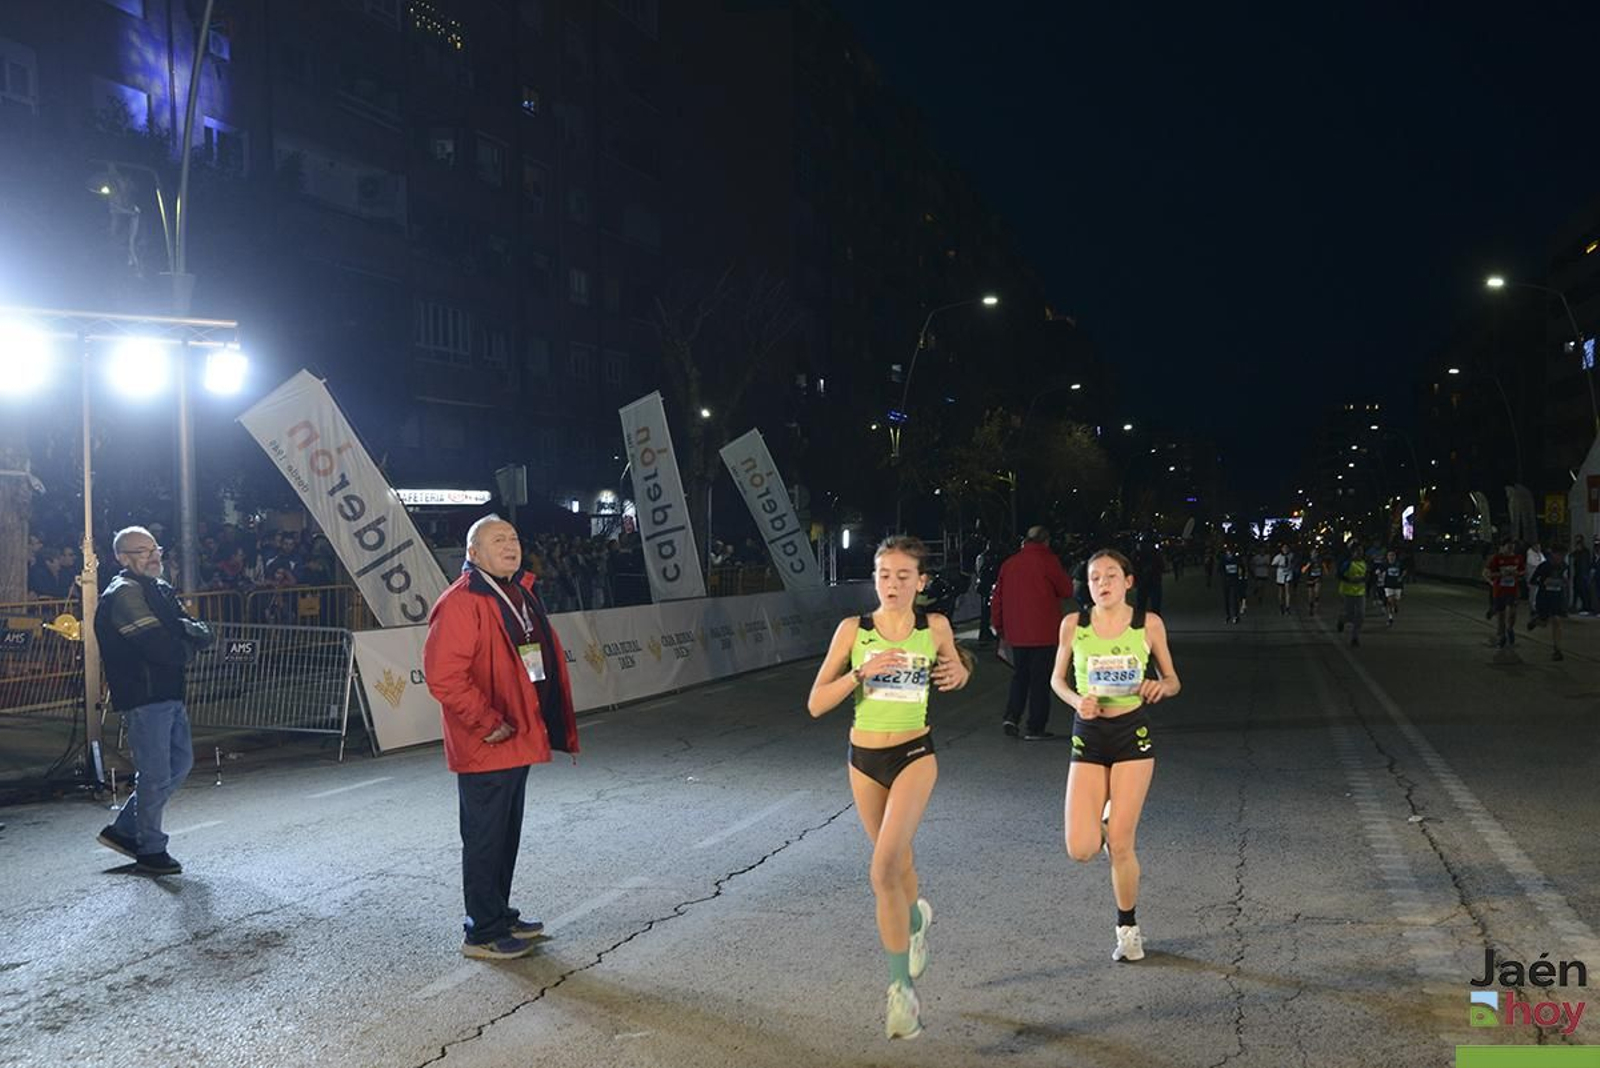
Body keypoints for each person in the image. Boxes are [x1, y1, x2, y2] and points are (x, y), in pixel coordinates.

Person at [807, 535, 971, 1040]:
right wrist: (862, 671)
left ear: (921, 582)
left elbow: (957, 669)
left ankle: (901, 993)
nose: (892, 584)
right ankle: (917, 923)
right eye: (884, 575)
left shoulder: (934, 626)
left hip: (914, 755)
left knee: (881, 869)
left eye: (903, 576)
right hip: (863, 760)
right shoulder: (853, 630)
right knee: (898, 866)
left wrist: (959, 671)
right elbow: (815, 702)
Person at [424, 516, 580, 960]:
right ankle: (481, 931)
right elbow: (444, 676)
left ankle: (498, 912)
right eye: (497, 540)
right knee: (485, 837)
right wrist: (486, 721)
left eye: (513, 537)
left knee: (505, 834)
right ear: (473, 554)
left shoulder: (517, 591)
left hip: (518, 734)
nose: (510, 545)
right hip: (488, 739)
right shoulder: (461, 602)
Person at [1052, 549, 1181, 964]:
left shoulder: (1148, 624)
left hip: (1132, 735)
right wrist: (1076, 701)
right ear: (1087, 586)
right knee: (1082, 848)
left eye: (1111, 575)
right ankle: (1106, 823)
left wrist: (1161, 687)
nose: (1102, 583)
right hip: (1089, 734)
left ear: (1128, 582)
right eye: (1094, 578)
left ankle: (1128, 929)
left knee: (1122, 844)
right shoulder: (1075, 625)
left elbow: (1173, 679)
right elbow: (1057, 679)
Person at [93, 527, 214, 875]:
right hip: (144, 695)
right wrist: (188, 641)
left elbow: (193, 627)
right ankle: (149, 848)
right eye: (143, 551)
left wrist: (186, 636)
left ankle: (124, 831)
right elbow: (162, 644)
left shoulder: (158, 588)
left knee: (179, 765)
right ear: (122, 558)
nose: (154, 555)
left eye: (155, 548)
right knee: (157, 772)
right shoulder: (124, 594)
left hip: (168, 691)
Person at [990, 526, 1074, 740]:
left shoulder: (1010, 564)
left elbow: (997, 598)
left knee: (1020, 676)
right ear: (1046, 541)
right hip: (1044, 632)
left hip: (1016, 633)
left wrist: (999, 626)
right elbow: (1066, 590)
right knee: (1040, 680)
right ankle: (1035, 727)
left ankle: (1011, 717)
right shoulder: (1049, 561)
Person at [1527, 546, 1569, 661]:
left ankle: (1557, 649)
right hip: (1544, 598)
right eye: (1559, 555)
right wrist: (1544, 581)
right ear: (1553, 554)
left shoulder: (1564, 566)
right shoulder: (1544, 566)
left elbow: (1567, 580)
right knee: (1544, 622)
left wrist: (1564, 583)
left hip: (1557, 598)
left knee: (1557, 620)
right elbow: (1533, 580)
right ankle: (1536, 621)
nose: (1561, 558)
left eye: (1563, 556)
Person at [1482, 536, 1524, 650]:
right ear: (1502, 547)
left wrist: (1517, 573)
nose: (1510, 549)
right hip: (1499, 590)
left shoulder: (1518, 558)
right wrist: (1501, 574)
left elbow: (1522, 571)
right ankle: (1501, 636)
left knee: (1513, 612)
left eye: (1512, 547)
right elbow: (1488, 573)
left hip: (1513, 590)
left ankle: (1510, 628)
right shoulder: (1496, 559)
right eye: (1508, 547)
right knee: (1501, 615)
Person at [1335, 543, 1368, 647]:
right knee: (1349, 615)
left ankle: (1355, 637)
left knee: (1361, 615)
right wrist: (1349, 580)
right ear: (1353, 552)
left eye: (1361, 551)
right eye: (1357, 551)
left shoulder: (1364, 563)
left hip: (1360, 592)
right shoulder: (1347, 563)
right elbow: (1339, 575)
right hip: (1347, 592)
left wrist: (1363, 580)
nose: (1360, 553)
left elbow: (1367, 576)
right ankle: (1342, 620)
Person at [1218, 544, 1245, 623]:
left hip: (1235, 580)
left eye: (1231, 551)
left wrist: (1241, 576)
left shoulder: (1237, 558)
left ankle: (1235, 615)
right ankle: (1228, 615)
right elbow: (1220, 569)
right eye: (1228, 551)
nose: (1230, 552)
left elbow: (1242, 567)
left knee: (1234, 598)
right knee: (1226, 599)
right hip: (1226, 581)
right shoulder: (1223, 559)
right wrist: (1224, 575)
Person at [1379, 549, 1406, 626]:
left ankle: (1395, 605)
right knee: (1390, 600)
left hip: (1398, 585)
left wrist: (1401, 577)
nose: (1391, 557)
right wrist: (1378, 573)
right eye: (1389, 555)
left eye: (1393, 555)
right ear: (1387, 557)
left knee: (1396, 600)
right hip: (1388, 585)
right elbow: (1379, 570)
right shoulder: (1385, 564)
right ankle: (1390, 618)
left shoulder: (1399, 563)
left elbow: (1404, 570)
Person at [1571, 538, 1593, 616]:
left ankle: (1586, 607)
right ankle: (1581, 606)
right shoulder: (1580, 553)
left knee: (1583, 592)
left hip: (1582, 575)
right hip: (1579, 575)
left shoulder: (1584, 553)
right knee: (1579, 592)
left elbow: (1583, 565)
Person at [1271, 543, 1294, 616]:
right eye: (1284, 548)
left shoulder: (1291, 555)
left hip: (1288, 573)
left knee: (1287, 591)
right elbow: (1273, 564)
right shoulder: (1278, 557)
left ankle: (1287, 607)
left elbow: (1294, 561)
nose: (1285, 549)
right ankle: (1281, 606)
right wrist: (1280, 565)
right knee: (1281, 591)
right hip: (1280, 575)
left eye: (1287, 548)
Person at [1302, 551, 1328, 617]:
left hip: (1318, 578)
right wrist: (1308, 565)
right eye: (1312, 553)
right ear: (1310, 554)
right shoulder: (1308, 561)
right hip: (1310, 579)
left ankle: (1316, 607)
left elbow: (1326, 571)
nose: (1314, 555)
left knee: (1316, 592)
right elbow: (1303, 571)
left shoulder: (1320, 561)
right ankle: (1311, 607)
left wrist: (1324, 568)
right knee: (1310, 595)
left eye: (1315, 553)